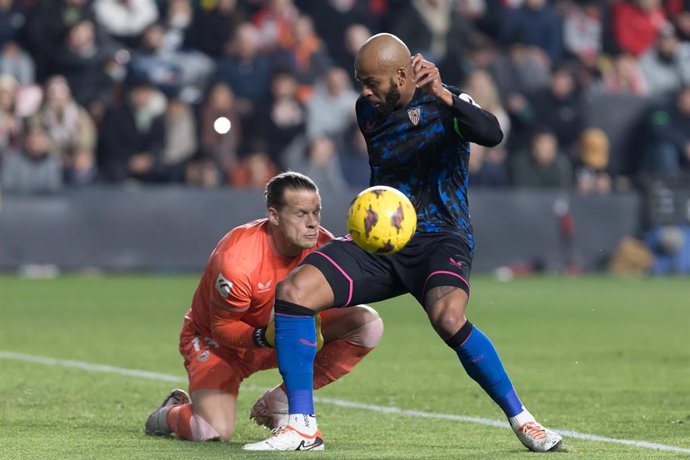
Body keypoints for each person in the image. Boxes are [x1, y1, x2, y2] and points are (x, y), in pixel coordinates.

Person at [243, 33, 562, 452]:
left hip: (440, 238)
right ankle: (301, 426)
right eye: (361, 82)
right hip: (381, 239)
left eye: (372, 82)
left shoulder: (449, 104)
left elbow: (491, 133)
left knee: (448, 319)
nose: (365, 92)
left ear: (400, 75)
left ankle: (525, 421)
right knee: (294, 292)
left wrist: (444, 95)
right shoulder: (368, 111)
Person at [144, 171, 384, 442]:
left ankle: (280, 400)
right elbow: (222, 327)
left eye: (316, 213)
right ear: (273, 216)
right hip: (220, 344)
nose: (312, 223)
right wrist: (264, 336)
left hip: (279, 337)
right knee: (209, 433)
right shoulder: (237, 261)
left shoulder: (322, 246)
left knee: (368, 325)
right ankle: (169, 413)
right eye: (300, 214)